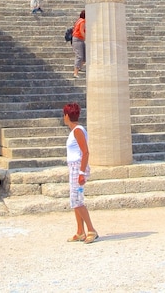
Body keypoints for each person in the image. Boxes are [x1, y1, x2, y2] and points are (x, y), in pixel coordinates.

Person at [63, 102, 98, 244]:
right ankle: (80, 231)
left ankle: (91, 230)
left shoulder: (78, 130)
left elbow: (85, 152)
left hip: (78, 168)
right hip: (74, 167)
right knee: (74, 200)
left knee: (77, 200)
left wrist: (82, 172)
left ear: (66, 116)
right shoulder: (75, 131)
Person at [71, 10, 86, 78]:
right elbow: (81, 31)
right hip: (78, 39)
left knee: (85, 56)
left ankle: (80, 67)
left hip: (79, 39)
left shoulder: (79, 20)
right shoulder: (82, 21)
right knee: (79, 56)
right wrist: (86, 38)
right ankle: (75, 73)